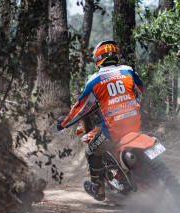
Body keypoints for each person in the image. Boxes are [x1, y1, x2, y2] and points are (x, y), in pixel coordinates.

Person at [55, 40, 143, 201]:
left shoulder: (94, 80)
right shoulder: (128, 70)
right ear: (116, 55)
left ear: (98, 59)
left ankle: (98, 189)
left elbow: (79, 107)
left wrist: (63, 123)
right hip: (135, 123)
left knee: (91, 151)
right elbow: (139, 89)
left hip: (113, 130)